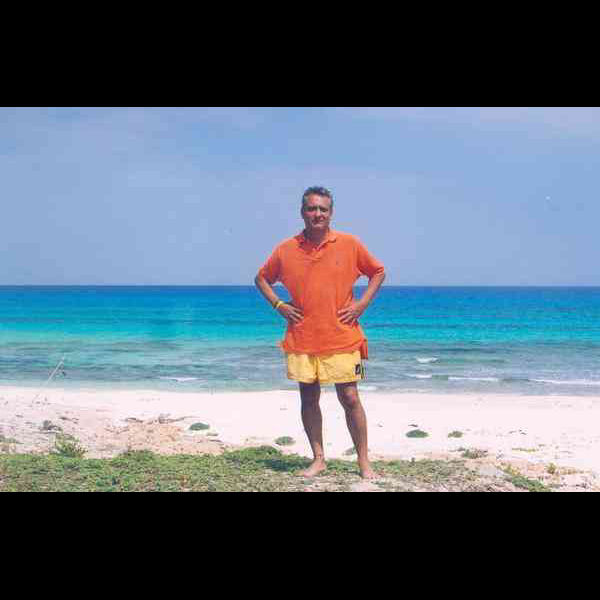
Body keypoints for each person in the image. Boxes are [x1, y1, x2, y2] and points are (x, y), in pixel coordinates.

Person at [254, 186, 386, 479]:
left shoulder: (350, 243)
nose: (317, 214)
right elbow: (261, 278)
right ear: (302, 212)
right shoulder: (286, 249)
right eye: (311, 208)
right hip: (303, 337)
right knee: (309, 398)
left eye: (322, 209)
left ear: (331, 212)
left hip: (342, 335)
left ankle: (364, 462)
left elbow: (378, 272)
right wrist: (279, 305)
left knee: (350, 397)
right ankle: (319, 459)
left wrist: (361, 304)